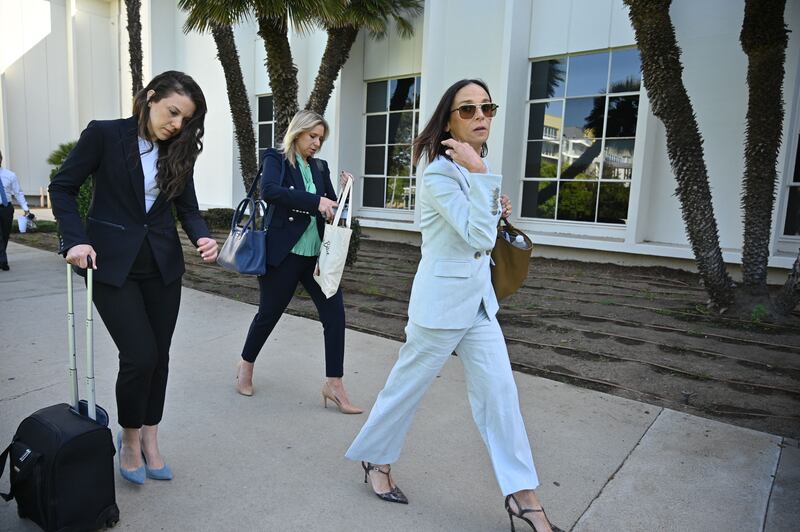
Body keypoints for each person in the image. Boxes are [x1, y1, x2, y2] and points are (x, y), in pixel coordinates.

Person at [345, 79, 561, 532]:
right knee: (406, 390)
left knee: (500, 396)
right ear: (448, 120)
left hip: (478, 305)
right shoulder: (440, 174)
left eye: (487, 107)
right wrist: (484, 181)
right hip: (441, 306)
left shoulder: (471, 166)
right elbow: (476, 236)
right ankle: (375, 460)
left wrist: (489, 196)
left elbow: (481, 236)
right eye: (468, 109)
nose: (481, 115)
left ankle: (524, 498)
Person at [49, 71, 219, 485]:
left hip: (163, 267)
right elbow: (63, 187)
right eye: (173, 112)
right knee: (139, 355)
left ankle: (151, 438)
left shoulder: (179, 150)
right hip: (110, 265)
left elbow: (188, 208)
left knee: (159, 357)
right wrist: (74, 240)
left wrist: (202, 237)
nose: (177, 125)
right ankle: (128, 438)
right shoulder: (105, 135)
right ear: (150, 97)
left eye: (185, 120)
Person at [235, 110, 362, 415]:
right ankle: (246, 365)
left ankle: (335, 383)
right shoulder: (276, 159)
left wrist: (345, 190)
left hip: (317, 257)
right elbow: (271, 192)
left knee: (335, 315)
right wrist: (314, 202)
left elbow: (332, 206)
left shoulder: (320, 167)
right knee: (269, 314)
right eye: (312, 136)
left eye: (321, 138)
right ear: (297, 132)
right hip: (284, 253)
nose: (316, 143)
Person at [0, 149, 31, 271]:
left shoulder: (10, 175)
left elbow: (18, 193)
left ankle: (1, 256)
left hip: (6, 208)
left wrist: (25, 208)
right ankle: (3, 261)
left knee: (5, 235)